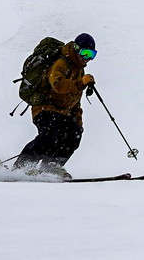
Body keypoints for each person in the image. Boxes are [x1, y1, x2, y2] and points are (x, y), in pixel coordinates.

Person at [14, 32, 97, 178]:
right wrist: (80, 82)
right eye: (85, 53)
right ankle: (22, 166)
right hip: (45, 107)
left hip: (63, 112)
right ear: (76, 49)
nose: (88, 58)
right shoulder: (61, 63)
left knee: (74, 134)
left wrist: (78, 122)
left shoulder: (79, 69)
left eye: (92, 54)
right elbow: (58, 85)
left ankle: (51, 166)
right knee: (50, 135)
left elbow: (75, 100)